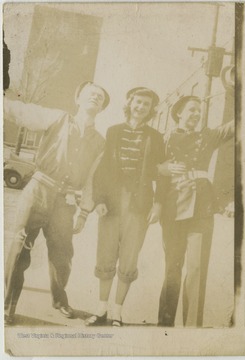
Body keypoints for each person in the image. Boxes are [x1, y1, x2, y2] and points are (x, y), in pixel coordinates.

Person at [4, 81, 110, 325]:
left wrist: (84, 212)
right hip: (38, 190)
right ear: (78, 98)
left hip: (66, 201)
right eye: (91, 93)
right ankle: (7, 307)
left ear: (102, 108)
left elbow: (92, 179)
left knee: (63, 255)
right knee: (19, 248)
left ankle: (59, 300)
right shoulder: (56, 118)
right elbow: (20, 112)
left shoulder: (100, 142)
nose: (95, 98)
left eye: (100, 97)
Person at [85, 87, 165, 327]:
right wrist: (99, 200)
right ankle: (101, 309)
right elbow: (103, 169)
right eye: (137, 102)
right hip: (111, 202)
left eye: (146, 105)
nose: (141, 107)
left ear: (151, 110)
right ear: (129, 103)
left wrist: (158, 204)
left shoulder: (156, 137)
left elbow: (161, 173)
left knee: (129, 257)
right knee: (106, 253)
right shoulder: (114, 132)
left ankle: (117, 311)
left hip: (139, 204)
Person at [157, 95, 234, 327]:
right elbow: (151, 166)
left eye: (199, 111)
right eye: (191, 110)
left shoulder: (208, 136)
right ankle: (165, 324)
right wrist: (162, 168)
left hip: (201, 206)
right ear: (179, 112)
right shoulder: (165, 139)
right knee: (172, 266)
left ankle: (192, 327)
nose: (196, 115)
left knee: (197, 267)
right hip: (173, 205)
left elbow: (235, 125)